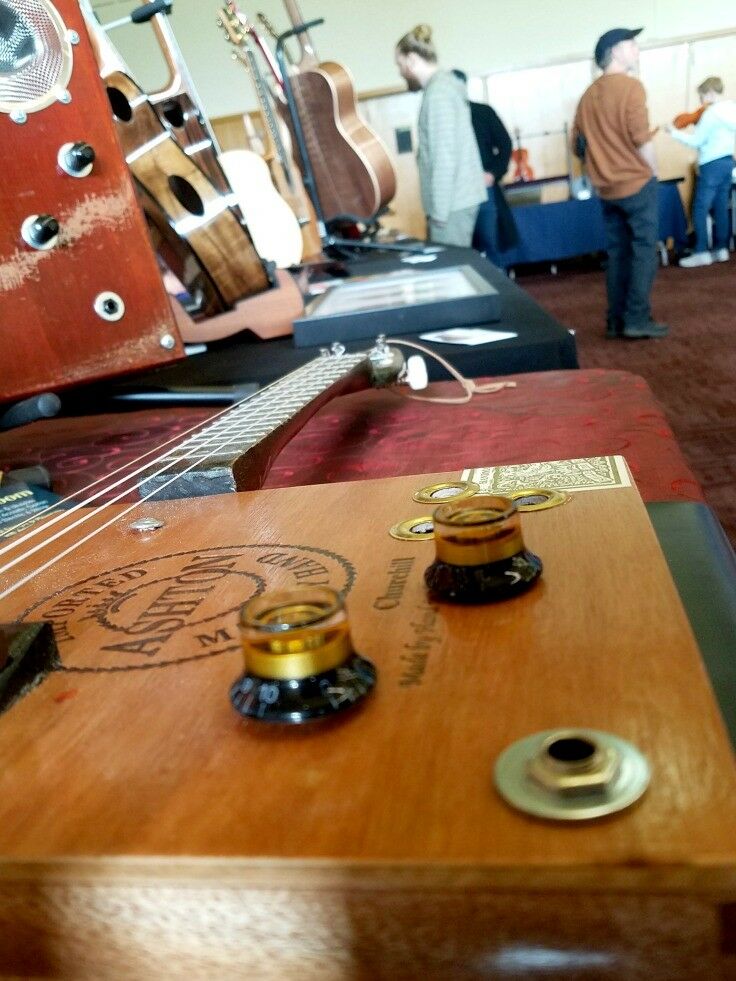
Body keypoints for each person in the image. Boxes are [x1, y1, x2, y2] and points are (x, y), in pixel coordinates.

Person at [572, 27, 669, 339]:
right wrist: (654, 172)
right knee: (643, 251)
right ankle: (637, 318)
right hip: (636, 184)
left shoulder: (587, 97)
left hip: (607, 189)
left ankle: (615, 321)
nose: (637, 49)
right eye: (631, 44)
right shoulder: (631, 88)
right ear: (615, 51)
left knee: (618, 254)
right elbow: (640, 137)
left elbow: (577, 145)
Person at [395, 25, 486, 247]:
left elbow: (445, 157)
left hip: (452, 205)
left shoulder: (438, 95)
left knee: (451, 271)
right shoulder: (443, 88)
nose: (400, 72)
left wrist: (439, 213)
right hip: (456, 201)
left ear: (412, 59)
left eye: (400, 65)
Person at [665, 77, 736, 268]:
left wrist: (673, 132)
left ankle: (702, 251)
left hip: (711, 165)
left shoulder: (711, 114)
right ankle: (721, 249)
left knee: (700, 207)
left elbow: (695, 141)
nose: (701, 101)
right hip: (728, 161)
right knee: (721, 205)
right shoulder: (732, 109)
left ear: (711, 93)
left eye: (702, 96)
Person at [452, 69, 519, 264]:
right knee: (463, 248)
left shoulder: (483, 112)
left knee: (491, 243)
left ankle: (500, 289)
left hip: (484, 188)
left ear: (464, 86)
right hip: (456, 192)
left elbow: (505, 144)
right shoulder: (446, 119)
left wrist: (493, 173)